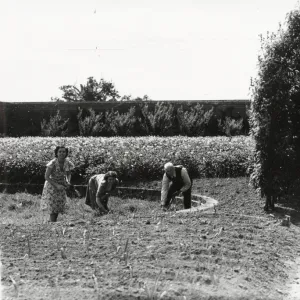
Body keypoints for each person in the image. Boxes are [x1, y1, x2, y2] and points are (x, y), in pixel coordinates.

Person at [41, 146, 75, 222]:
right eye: (60, 152)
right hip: (51, 185)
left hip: (61, 184)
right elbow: (46, 177)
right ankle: (52, 223)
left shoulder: (67, 162)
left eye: (64, 152)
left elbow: (68, 174)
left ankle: (51, 222)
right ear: (56, 153)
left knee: (59, 205)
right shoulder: (52, 163)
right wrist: (56, 185)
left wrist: (68, 181)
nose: (62, 153)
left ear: (66, 153)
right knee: (53, 206)